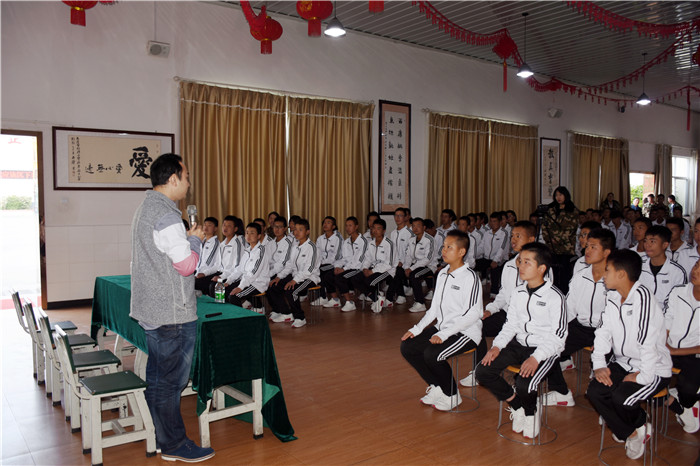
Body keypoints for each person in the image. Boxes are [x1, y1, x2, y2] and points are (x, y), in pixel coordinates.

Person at [129, 153, 215, 462]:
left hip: (154, 309)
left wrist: (186, 239)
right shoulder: (166, 215)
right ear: (174, 178)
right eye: (187, 177)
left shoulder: (146, 208)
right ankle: (174, 444)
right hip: (171, 313)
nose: (189, 183)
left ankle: (160, 435)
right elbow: (186, 266)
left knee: (158, 377)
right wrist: (196, 241)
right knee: (171, 382)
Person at [475, 242, 567, 439]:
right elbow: (511, 325)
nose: (520, 266)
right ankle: (517, 406)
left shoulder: (555, 297)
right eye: (520, 261)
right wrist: (497, 346)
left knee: (525, 384)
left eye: (527, 262)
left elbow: (558, 335)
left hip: (544, 349)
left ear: (541, 268)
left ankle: (531, 414)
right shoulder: (518, 292)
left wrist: (536, 357)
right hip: (519, 344)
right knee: (483, 371)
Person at [587, 249, 672, 460]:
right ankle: (634, 431)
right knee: (595, 391)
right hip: (624, 363)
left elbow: (647, 342)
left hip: (653, 367)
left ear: (621, 274)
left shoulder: (643, 298)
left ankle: (634, 423)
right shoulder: (613, 296)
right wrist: (599, 364)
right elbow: (603, 331)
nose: (604, 275)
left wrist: (643, 376)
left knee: (621, 399)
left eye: (607, 270)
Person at [460, 221, 552, 388]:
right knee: (477, 325)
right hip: (507, 315)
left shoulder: (541, 268)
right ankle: (479, 369)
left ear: (531, 239)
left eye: (518, 236)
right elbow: (503, 294)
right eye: (512, 236)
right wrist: (490, 309)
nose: (513, 240)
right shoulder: (509, 265)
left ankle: (521, 377)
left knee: (518, 341)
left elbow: (543, 300)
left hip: (528, 321)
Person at [400, 230, 483, 411]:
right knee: (408, 347)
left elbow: (473, 314)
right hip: (443, 328)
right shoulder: (443, 273)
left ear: (461, 252)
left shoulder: (470, 277)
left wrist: (444, 334)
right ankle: (437, 387)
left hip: (465, 332)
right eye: (444, 246)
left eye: (449, 247)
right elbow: (434, 309)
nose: (443, 250)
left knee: (432, 354)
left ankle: (452, 395)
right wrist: (416, 329)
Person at [545, 228, 616, 406]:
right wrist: (554, 329)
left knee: (611, 369)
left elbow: (618, 315)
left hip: (609, 332)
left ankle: (610, 405)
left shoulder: (615, 278)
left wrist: (604, 338)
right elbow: (569, 307)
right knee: (547, 350)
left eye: (593, 247)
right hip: (581, 327)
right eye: (587, 246)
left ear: (606, 252)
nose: (587, 250)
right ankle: (562, 393)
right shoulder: (580, 276)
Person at [663, 259, 700, 434]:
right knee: (645, 379)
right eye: (696, 265)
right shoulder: (678, 291)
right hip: (668, 347)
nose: (695, 271)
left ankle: (687, 401)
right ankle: (677, 404)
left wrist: (675, 351)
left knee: (689, 389)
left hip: (693, 353)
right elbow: (666, 321)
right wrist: (664, 343)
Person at [268, 218, 320, 328]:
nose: (296, 232)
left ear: (307, 231)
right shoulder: (295, 247)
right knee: (274, 286)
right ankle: (286, 313)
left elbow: (309, 270)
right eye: (295, 229)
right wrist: (279, 277)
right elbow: (289, 265)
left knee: (291, 291)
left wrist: (294, 281)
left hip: (310, 278)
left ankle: (300, 317)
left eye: (300, 230)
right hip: (296, 276)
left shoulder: (312, 247)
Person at [541, 186, 579, 294]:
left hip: (566, 248)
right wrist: (549, 239)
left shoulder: (573, 210)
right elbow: (544, 227)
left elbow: (571, 229)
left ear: (566, 195)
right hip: (551, 247)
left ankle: (564, 294)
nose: (558, 197)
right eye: (556, 195)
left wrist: (556, 239)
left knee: (564, 274)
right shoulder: (551, 210)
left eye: (560, 195)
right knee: (553, 273)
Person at [639, 226, 687, 305]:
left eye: (652, 241)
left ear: (665, 245)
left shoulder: (677, 272)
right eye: (645, 241)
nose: (647, 245)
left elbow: (678, 302)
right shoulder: (639, 265)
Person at [360, 219, 397, 313]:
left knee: (368, 282)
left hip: (387, 271)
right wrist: (365, 268)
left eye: (378, 228)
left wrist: (372, 271)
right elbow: (367, 259)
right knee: (357, 278)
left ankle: (377, 298)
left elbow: (389, 264)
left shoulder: (389, 244)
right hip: (374, 269)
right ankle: (376, 298)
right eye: (373, 228)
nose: (375, 231)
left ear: (384, 231)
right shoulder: (371, 243)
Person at [333, 216, 369, 312]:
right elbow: (344, 258)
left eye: (350, 225)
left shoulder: (363, 241)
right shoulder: (346, 242)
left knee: (340, 278)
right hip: (350, 268)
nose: (347, 228)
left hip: (359, 268)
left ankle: (350, 302)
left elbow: (359, 261)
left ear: (356, 227)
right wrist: (337, 266)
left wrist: (344, 269)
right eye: (346, 226)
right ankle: (337, 299)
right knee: (332, 275)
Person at [403, 217, 437, 313]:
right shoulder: (411, 240)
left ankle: (420, 303)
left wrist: (411, 268)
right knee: (399, 271)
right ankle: (399, 297)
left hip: (429, 266)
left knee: (415, 275)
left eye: (418, 226)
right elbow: (408, 256)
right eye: (413, 226)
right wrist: (407, 267)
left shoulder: (430, 240)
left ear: (424, 227)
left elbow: (428, 259)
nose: (415, 228)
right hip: (415, 265)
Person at [208, 215, 245, 299]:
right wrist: (205, 273)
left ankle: (223, 305)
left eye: (229, 226)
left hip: (233, 275)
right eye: (224, 225)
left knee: (215, 287)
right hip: (222, 273)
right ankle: (216, 304)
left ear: (235, 229)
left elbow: (237, 267)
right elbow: (217, 265)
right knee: (204, 282)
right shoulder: (222, 244)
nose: (225, 228)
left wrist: (222, 277)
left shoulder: (238, 244)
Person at [475, 211, 509, 293]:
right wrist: (473, 256)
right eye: (491, 221)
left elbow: (502, 248)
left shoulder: (504, 233)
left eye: (495, 221)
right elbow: (481, 246)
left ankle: (494, 292)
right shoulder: (487, 233)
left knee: (495, 268)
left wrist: (496, 260)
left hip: (501, 259)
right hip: (487, 258)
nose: (492, 223)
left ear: (500, 222)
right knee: (472, 265)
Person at [314, 216, 344, 308]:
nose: (325, 224)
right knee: (315, 270)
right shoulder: (320, 238)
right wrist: (319, 263)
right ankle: (323, 297)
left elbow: (337, 256)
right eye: (324, 222)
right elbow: (317, 254)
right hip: (323, 263)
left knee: (320, 271)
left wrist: (323, 263)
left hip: (336, 263)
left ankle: (334, 299)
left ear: (333, 226)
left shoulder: (338, 238)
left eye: (328, 222)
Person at [387, 208, 415, 305]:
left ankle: (393, 297)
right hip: (395, 262)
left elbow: (410, 251)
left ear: (405, 217)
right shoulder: (393, 233)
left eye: (400, 215)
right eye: (396, 215)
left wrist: (402, 262)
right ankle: (400, 293)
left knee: (398, 271)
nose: (397, 218)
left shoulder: (410, 233)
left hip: (407, 263)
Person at [194, 217, 220, 294]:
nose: (206, 227)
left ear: (215, 228)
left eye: (209, 225)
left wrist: (199, 274)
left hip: (207, 273)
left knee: (194, 283)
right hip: (198, 272)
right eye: (205, 225)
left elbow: (207, 264)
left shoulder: (215, 243)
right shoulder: (202, 241)